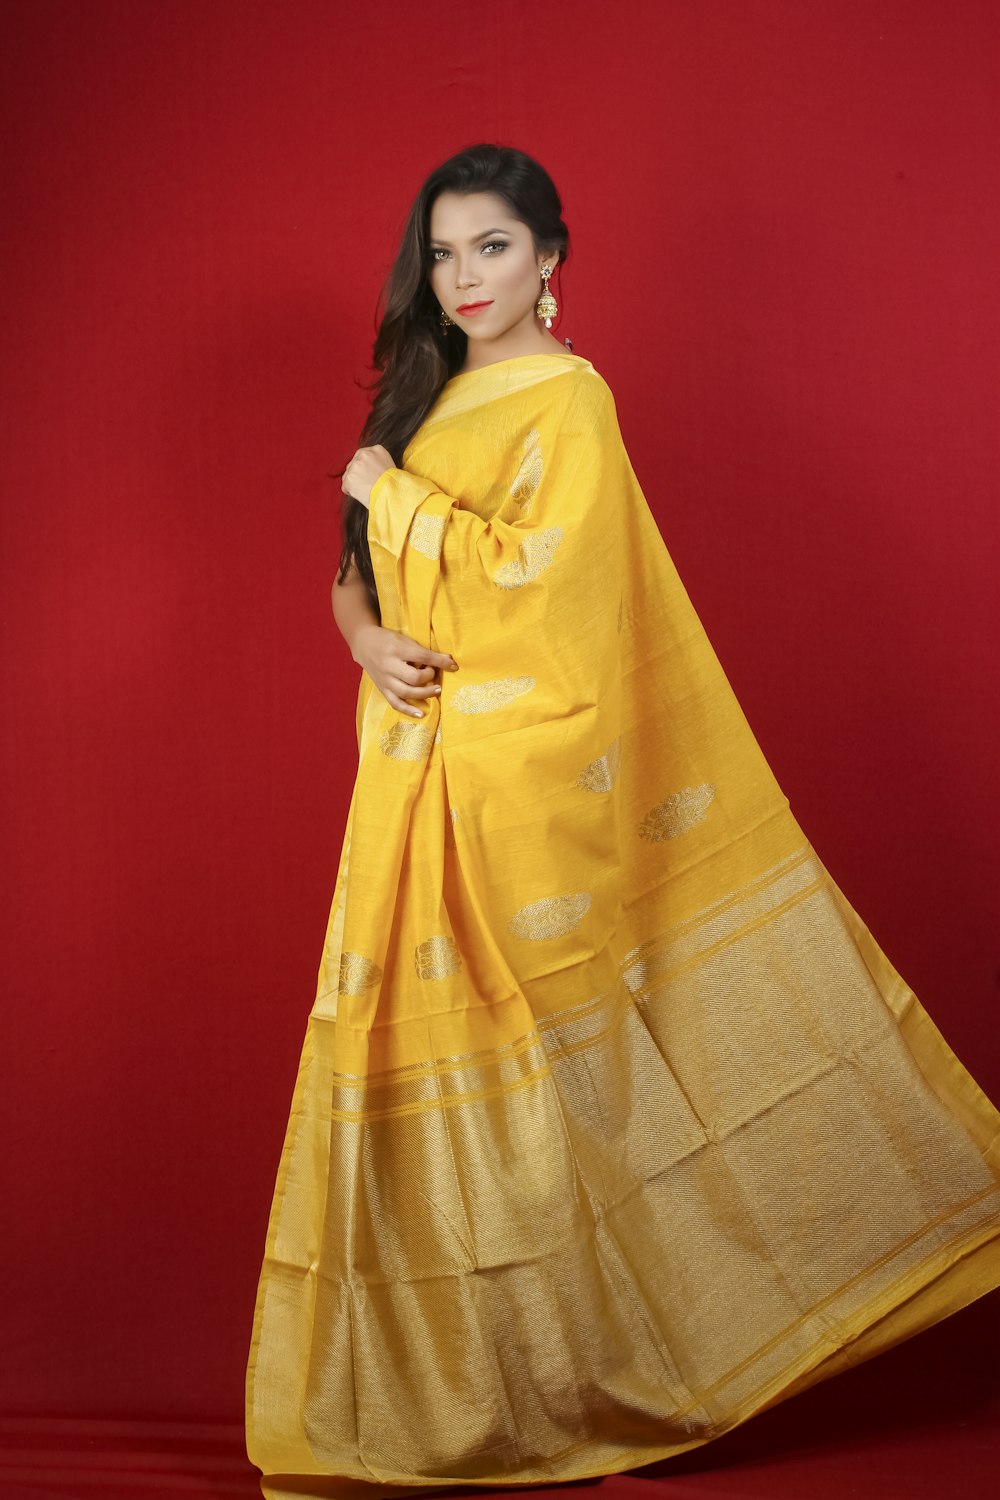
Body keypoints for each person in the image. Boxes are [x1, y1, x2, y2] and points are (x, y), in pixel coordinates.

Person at [245, 143, 1000, 1500]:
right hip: (412, 775)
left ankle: (586, 1376)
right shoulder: (422, 398)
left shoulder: (567, 399)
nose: (464, 276)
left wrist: (389, 490)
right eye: (442, 252)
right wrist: (364, 643)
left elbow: (547, 586)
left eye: (491, 247)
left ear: (552, 258)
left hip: (529, 790)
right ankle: (466, 1397)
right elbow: (356, 585)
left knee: (555, 1090)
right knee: (425, 1084)